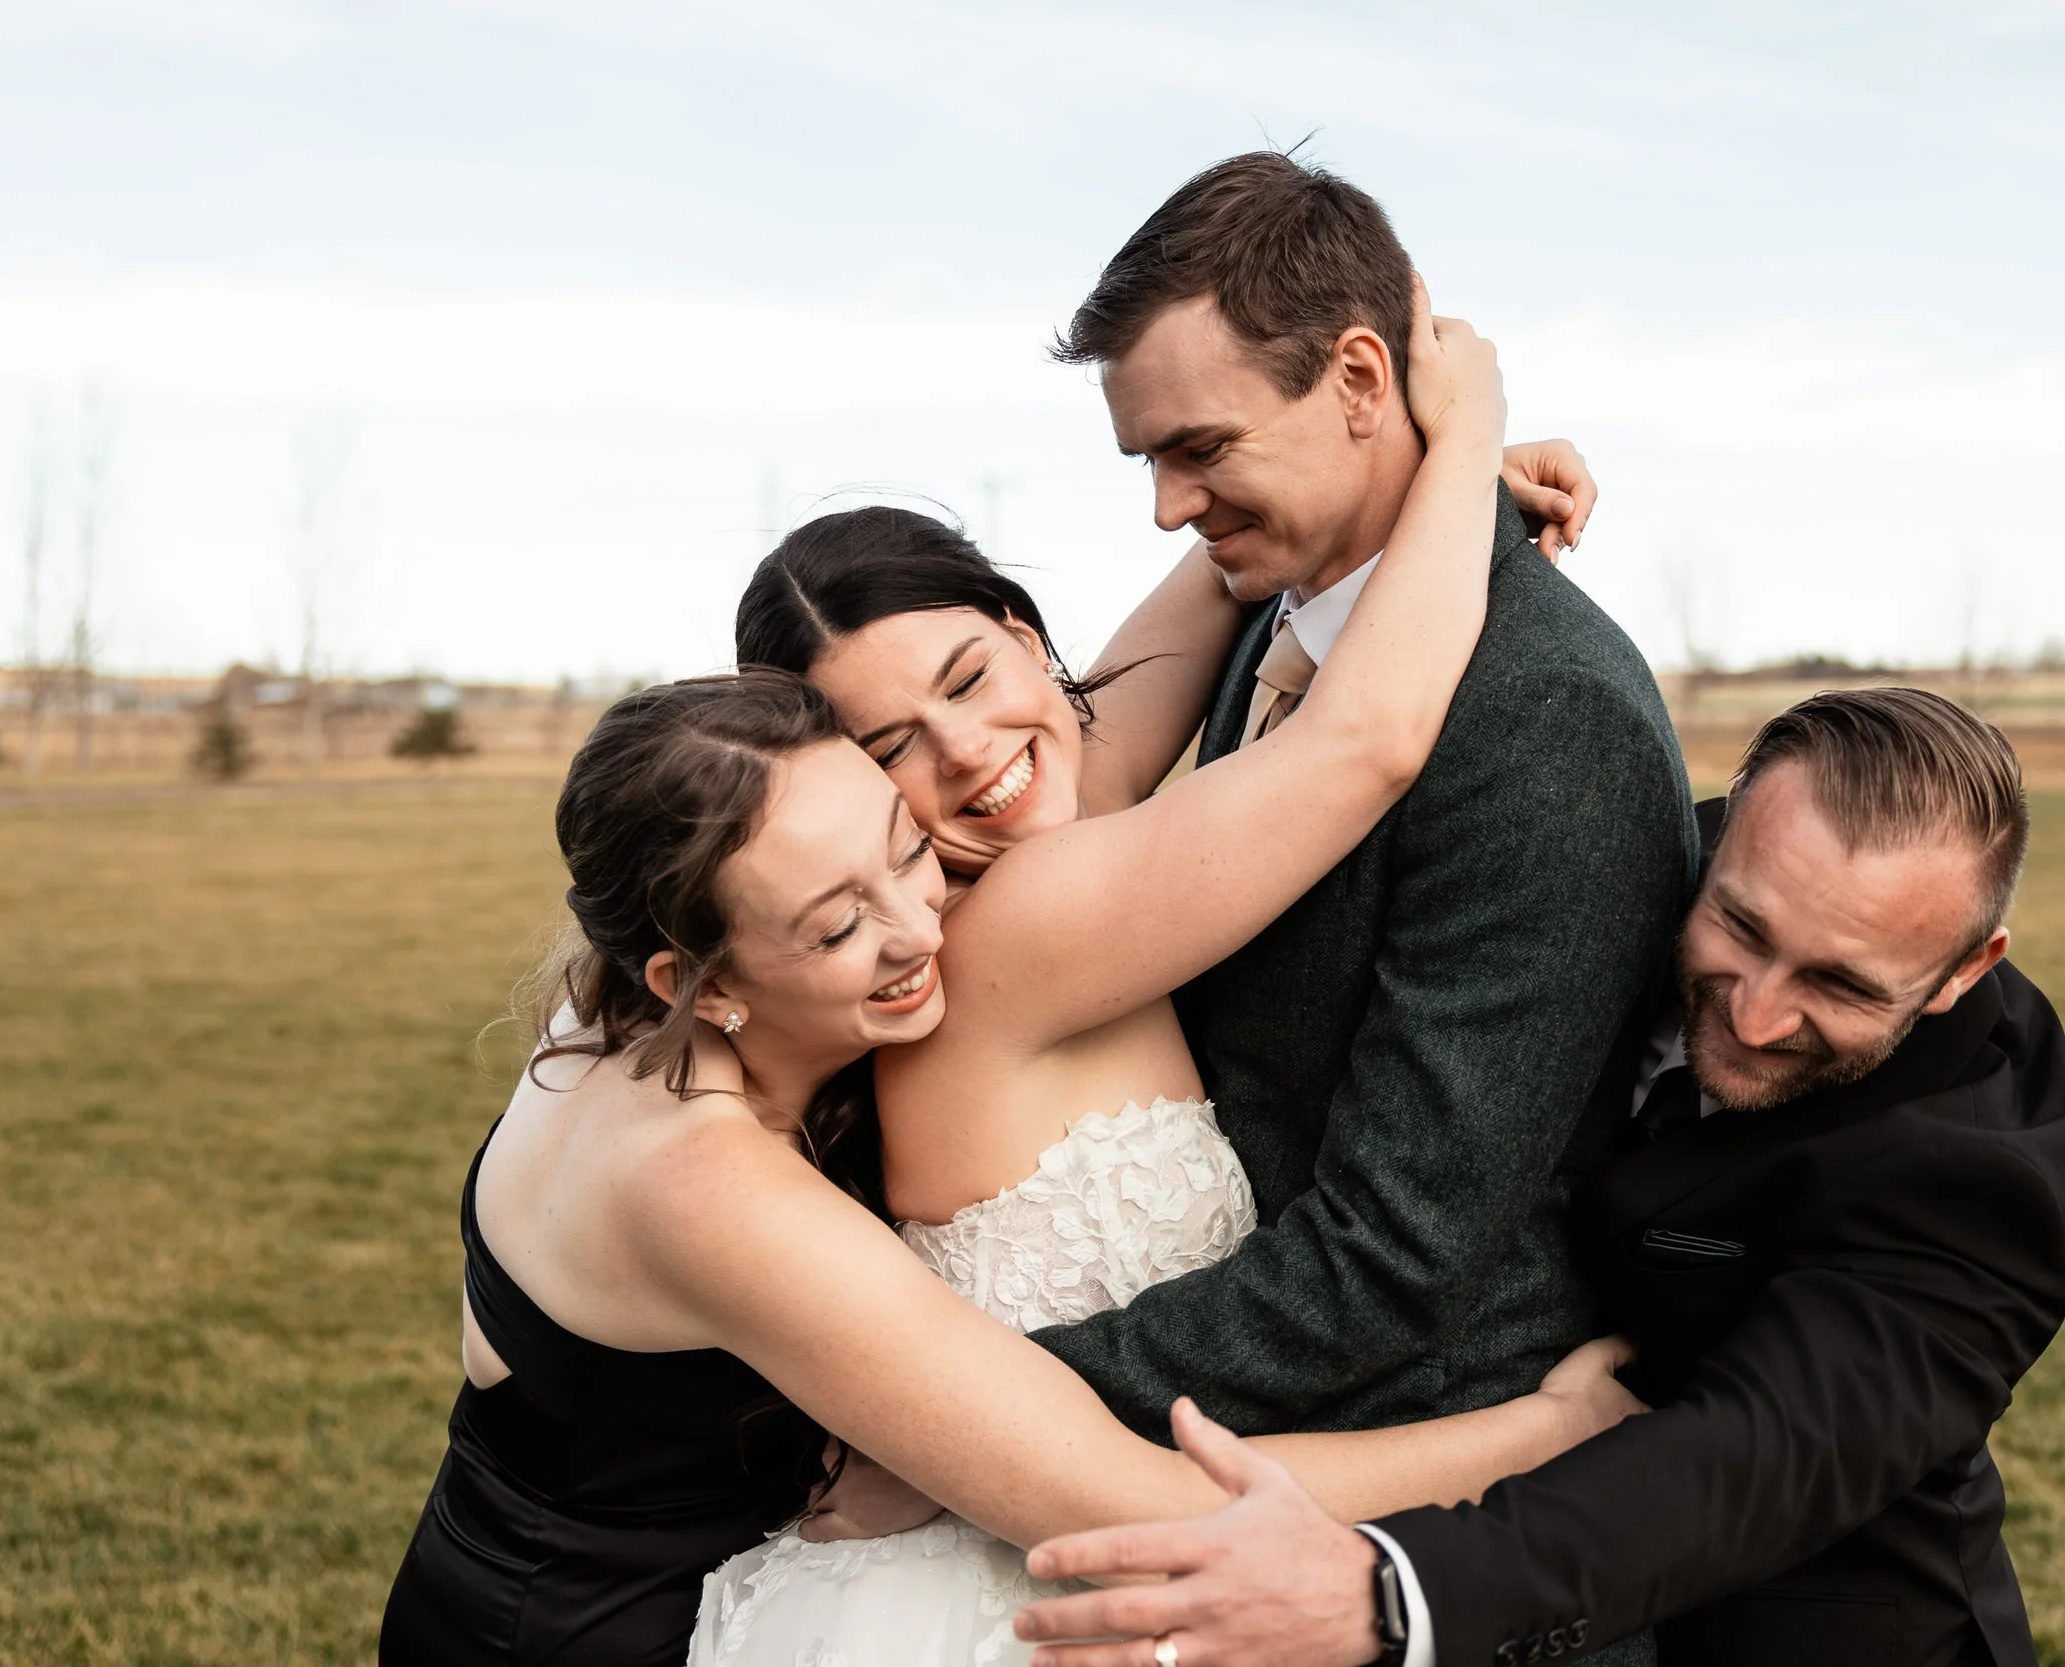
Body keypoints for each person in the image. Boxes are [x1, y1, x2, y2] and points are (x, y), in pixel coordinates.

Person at [381, 302, 1638, 1667]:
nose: (919, 907)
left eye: (905, 848)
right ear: (707, 970)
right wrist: (1558, 1439)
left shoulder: (655, 985)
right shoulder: (727, 1149)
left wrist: (1375, 487)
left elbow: (1103, 705)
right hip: (577, 1628)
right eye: (840, 906)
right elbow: (1359, 745)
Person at [1013, 687, 2065, 1667]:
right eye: (1740, 926)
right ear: (1721, 832)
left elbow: (1745, 1460)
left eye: (1839, 985)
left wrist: (1388, 1592)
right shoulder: (1623, 861)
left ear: (1964, 968)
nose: (1757, 1013)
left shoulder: (1974, 1183)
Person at [1002, 154, 1695, 1615]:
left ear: (1363, 376)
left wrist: (992, 1401)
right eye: (1143, 460)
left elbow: (1396, 1251)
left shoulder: (1545, 710)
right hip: (1227, 1470)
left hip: (1402, 1518)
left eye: (1198, 446)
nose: (1166, 505)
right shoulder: (1282, 613)